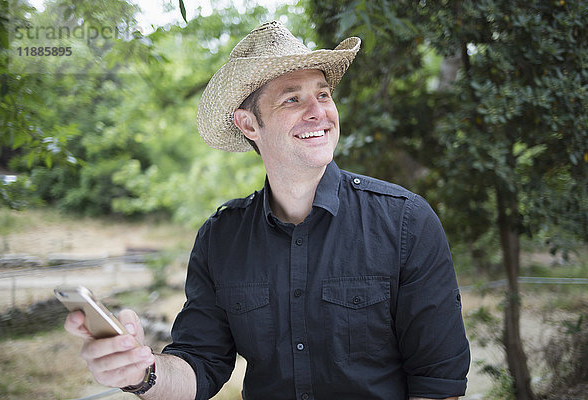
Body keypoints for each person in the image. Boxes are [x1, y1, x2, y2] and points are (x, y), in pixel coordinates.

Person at [65, 21, 470, 400]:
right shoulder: (220, 237)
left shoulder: (406, 222)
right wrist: (142, 372)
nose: (319, 112)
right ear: (248, 124)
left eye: (323, 94)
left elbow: (438, 383)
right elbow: (200, 365)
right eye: (293, 99)